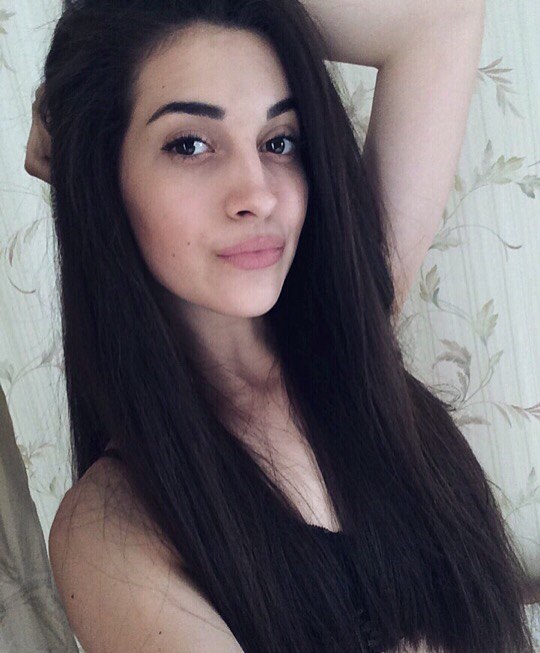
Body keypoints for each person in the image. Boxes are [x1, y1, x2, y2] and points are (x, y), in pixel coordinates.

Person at [24, 0, 535, 651]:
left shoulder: (351, 338)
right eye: (190, 144)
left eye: (279, 141)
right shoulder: (112, 532)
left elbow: (442, 17)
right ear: (104, 176)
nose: (258, 193)